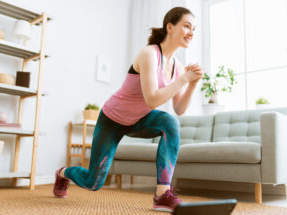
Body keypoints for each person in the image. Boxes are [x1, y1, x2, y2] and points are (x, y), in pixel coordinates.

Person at [53, 6, 203, 212]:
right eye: (187, 26)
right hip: (112, 120)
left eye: (194, 28)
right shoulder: (150, 53)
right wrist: (185, 78)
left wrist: (192, 84)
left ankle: (161, 195)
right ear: (170, 27)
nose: (191, 32)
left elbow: (179, 109)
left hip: (139, 120)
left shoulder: (176, 66)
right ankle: (63, 173)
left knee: (171, 122)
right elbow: (152, 99)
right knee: (93, 182)